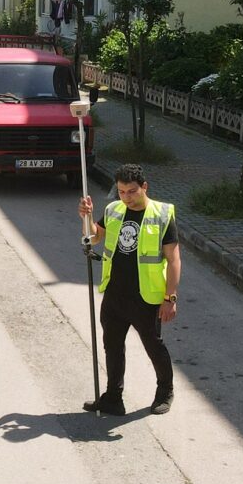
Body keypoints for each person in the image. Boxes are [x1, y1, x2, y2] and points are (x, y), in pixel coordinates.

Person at [78, 163, 182, 416]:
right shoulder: (114, 209)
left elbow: (174, 259)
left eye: (132, 191)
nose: (126, 197)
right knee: (112, 346)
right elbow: (94, 238)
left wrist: (170, 298)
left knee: (153, 346)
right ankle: (113, 397)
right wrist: (87, 217)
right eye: (122, 192)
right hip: (114, 294)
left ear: (144, 187)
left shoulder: (162, 214)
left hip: (145, 297)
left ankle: (165, 391)